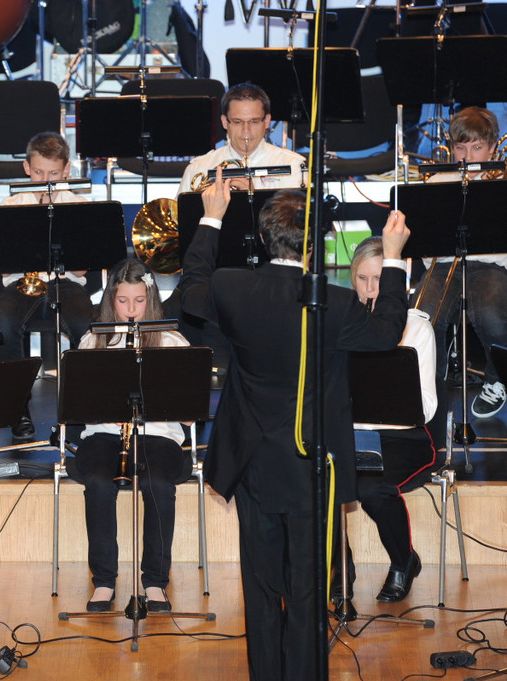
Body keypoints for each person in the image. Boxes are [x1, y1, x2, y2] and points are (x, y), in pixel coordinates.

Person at [178, 168, 410, 680]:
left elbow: (190, 289)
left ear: (264, 238)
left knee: (261, 587)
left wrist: (211, 219)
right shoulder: (336, 303)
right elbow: (388, 330)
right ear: (313, 247)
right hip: (312, 462)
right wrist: (393, 256)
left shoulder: (231, 286)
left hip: (253, 459)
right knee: (307, 590)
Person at [72, 259, 192, 612]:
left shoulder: (171, 340)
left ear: (150, 300)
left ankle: (154, 582)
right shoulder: (94, 339)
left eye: (139, 301)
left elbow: (188, 412)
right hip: (104, 435)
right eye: (123, 301)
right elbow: (77, 406)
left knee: (158, 484)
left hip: (157, 435)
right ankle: (104, 581)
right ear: (111, 300)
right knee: (98, 482)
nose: (131, 310)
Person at [331, 237, 439, 605]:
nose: (371, 289)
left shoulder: (416, 329)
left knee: (371, 488)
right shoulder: (343, 326)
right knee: (318, 480)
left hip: (402, 439)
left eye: (379, 279)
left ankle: (403, 561)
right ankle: (339, 569)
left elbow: (427, 407)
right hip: (350, 436)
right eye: (362, 279)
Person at [0, 132, 93, 440]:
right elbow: (4, 265)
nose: (45, 181)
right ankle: (17, 409)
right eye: (38, 172)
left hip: (66, 282)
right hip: (21, 282)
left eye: (53, 174)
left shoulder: (79, 204)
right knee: (3, 322)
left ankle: (78, 413)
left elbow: (81, 268)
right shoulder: (10, 204)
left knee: (86, 325)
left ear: (67, 170)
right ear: (26, 168)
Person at [420, 106, 507, 418]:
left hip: (492, 266)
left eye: (477, 147)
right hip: (446, 265)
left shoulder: (502, 182)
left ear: (493, 147)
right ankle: (429, 385)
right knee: (424, 315)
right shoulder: (438, 181)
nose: (468, 157)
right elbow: (425, 241)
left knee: (492, 315)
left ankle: (497, 380)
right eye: (460, 148)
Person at [178, 82, 305, 194]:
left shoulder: (293, 165)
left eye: (254, 121)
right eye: (237, 122)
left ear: (266, 121)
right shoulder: (198, 168)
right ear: (225, 122)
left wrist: (253, 198)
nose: (246, 131)